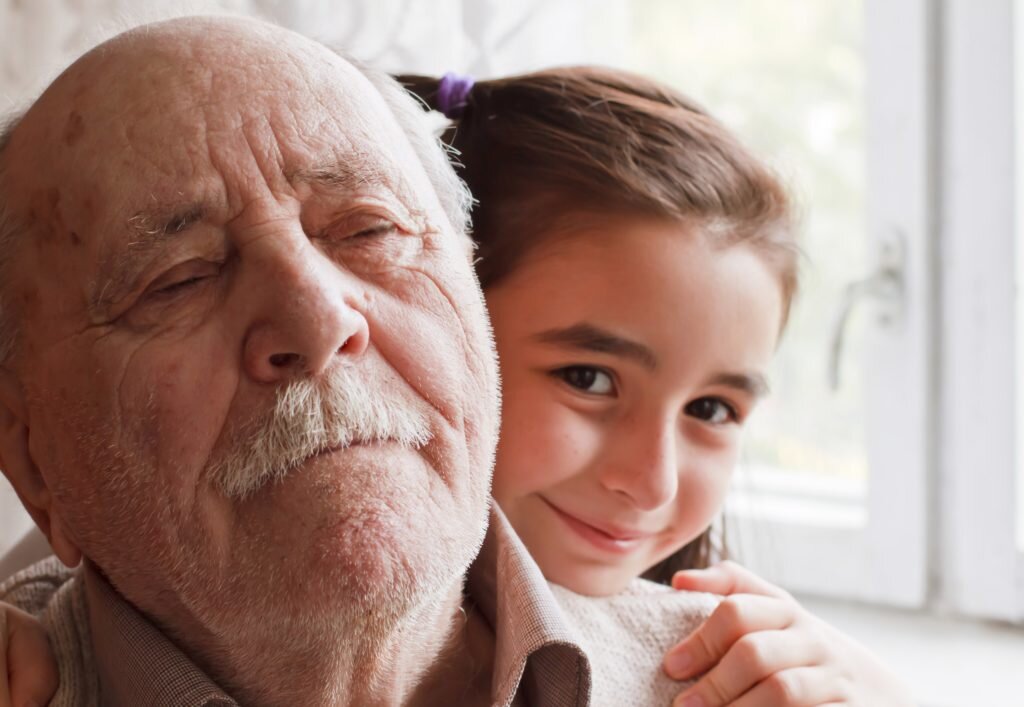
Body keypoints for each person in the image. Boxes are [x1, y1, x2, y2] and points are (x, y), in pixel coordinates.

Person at [2, 58, 916, 704]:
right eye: (590, 377)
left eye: (713, 408)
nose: (654, 478)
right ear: (467, 309)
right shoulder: (78, 590)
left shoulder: (723, 653)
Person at [0, 14, 605, 707]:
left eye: (370, 228)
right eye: (179, 279)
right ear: (29, 455)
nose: (319, 322)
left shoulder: (732, 678)